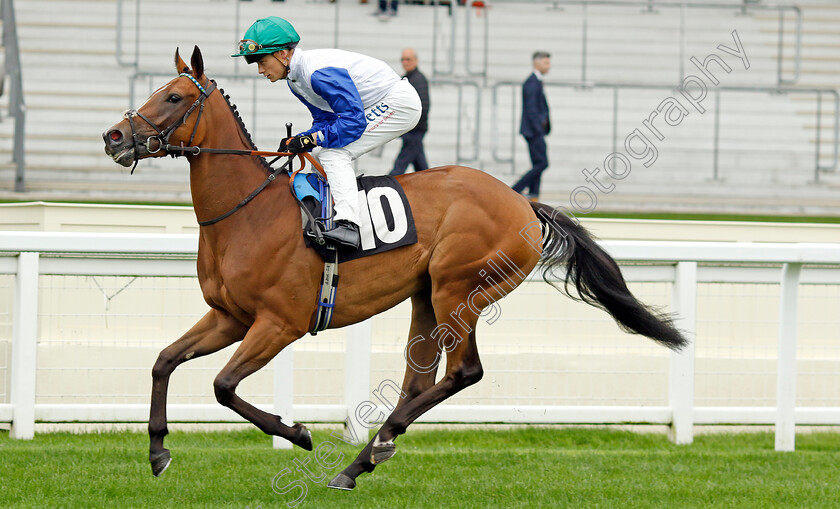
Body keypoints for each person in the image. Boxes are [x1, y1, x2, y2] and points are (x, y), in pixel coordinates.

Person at [232, 17, 421, 248]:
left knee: (333, 154)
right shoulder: (294, 79)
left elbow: (352, 122)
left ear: (282, 54)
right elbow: (325, 118)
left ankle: (349, 225)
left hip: (398, 103)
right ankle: (327, 216)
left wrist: (312, 139)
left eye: (262, 61)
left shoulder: (315, 73)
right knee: (322, 152)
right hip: (375, 104)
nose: (261, 70)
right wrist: (302, 140)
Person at [511, 51, 551, 201]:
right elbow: (531, 109)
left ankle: (534, 193)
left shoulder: (536, 81)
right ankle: (515, 189)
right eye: (546, 63)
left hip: (535, 130)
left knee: (538, 163)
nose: (549, 66)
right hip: (533, 131)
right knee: (542, 163)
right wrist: (538, 128)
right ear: (537, 63)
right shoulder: (532, 83)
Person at [390, 48, 430, 176]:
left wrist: (409, 126)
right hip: (411, 129)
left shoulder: (418, 79)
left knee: (400, 165)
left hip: (414, 130)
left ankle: (387, 185)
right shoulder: (407, 79)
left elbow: (424, 106)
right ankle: (430, 186)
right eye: (403, 59)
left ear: (416, 61)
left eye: (408, 59)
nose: (405, 62)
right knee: (421, 166)